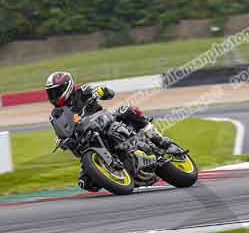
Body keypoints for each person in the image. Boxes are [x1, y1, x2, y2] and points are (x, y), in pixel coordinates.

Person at [44, 71, 178, 190]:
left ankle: (161, 141)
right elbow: (61, 131)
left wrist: (101, 91)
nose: (53, 96)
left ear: (67, 87)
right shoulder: (55, 114)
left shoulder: (82, 92)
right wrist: (61, 140)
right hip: (85, 140)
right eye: (51, 93)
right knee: (85, 183)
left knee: (126, 110)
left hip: (104, 123)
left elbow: (109, 93)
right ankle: (118, 174)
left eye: (56, 91)